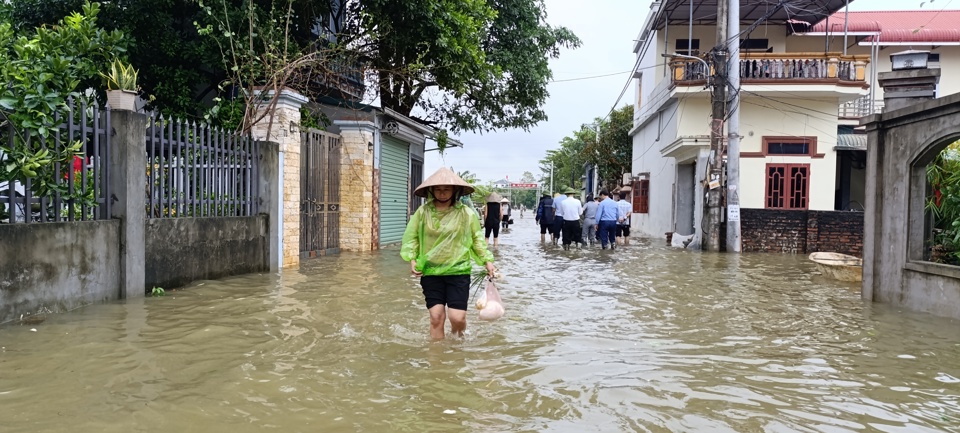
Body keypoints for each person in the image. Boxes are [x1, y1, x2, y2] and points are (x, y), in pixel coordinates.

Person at [401, 167, 496, 340]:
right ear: (431, 190)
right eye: (438, 189)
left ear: (455, 191)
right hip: (431, 271)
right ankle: (437, 360)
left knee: (457, 318)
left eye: (446, 189)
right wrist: (413, 259)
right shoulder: (423, 213)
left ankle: (457, 346)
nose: (442, 193)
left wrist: (487, 261)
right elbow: (412, 238)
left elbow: (476, 240)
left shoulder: (466, 214)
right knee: (436, 317)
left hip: (458, 271)